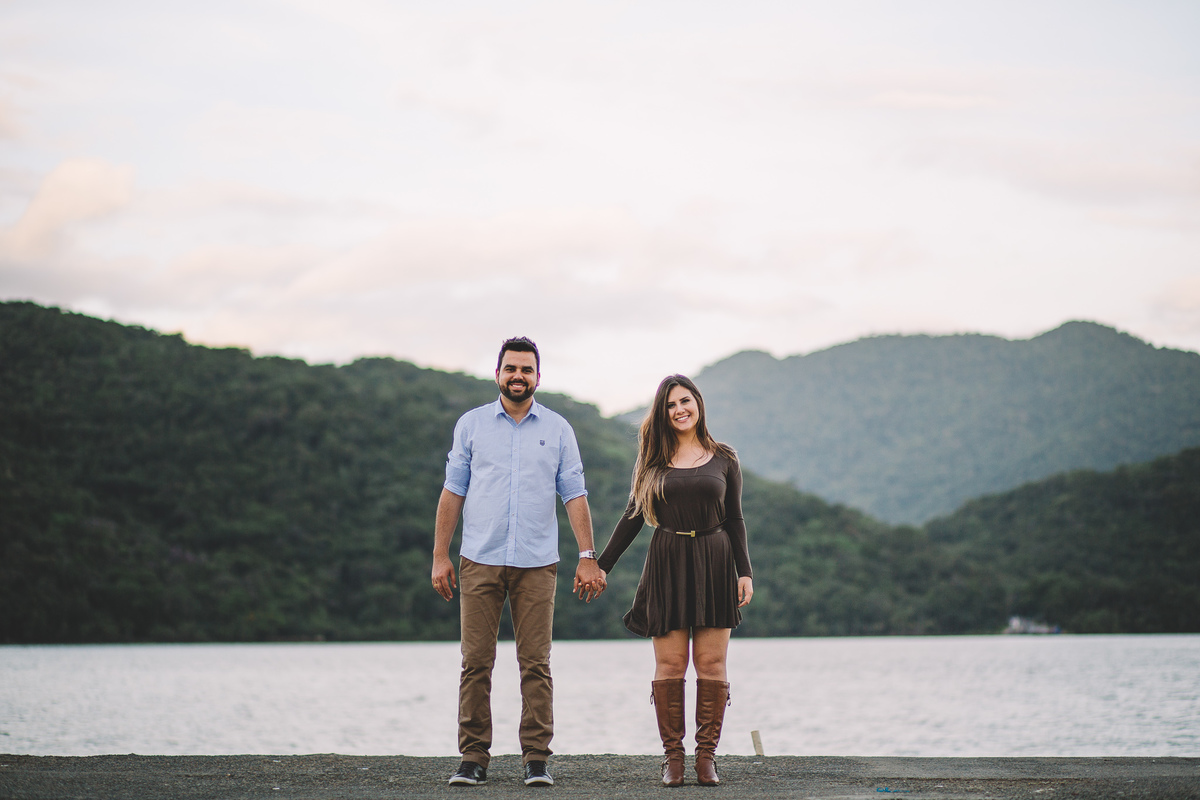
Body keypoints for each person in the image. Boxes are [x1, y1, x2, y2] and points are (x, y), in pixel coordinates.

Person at [431, 336, 607, 788]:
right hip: (479, 559)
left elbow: (574, 494)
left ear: (537, 377)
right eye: (511, 368)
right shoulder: (471, 426)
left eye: (526, 370)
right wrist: (440, 556)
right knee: (476, 662)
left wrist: (588, 556)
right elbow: (453, 491)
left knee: (536, 663)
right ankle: (473, 759)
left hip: (537, 561)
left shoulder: (559, 429)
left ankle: (536, 760)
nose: (518, 376)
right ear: (497, 374)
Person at [594, 374, 753, 787]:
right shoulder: (652, 462)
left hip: (716, 560)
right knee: (670, 663)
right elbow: (632, 518)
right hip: (667, 560)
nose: (679, 409)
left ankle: (706, 758)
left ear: (698, 403)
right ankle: (673, 759)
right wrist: (600, 565)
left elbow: (735, 518)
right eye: (670, 405)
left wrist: (745, 571)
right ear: (662, 414)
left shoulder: (724, 458)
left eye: (685, 401)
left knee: (712, 663)